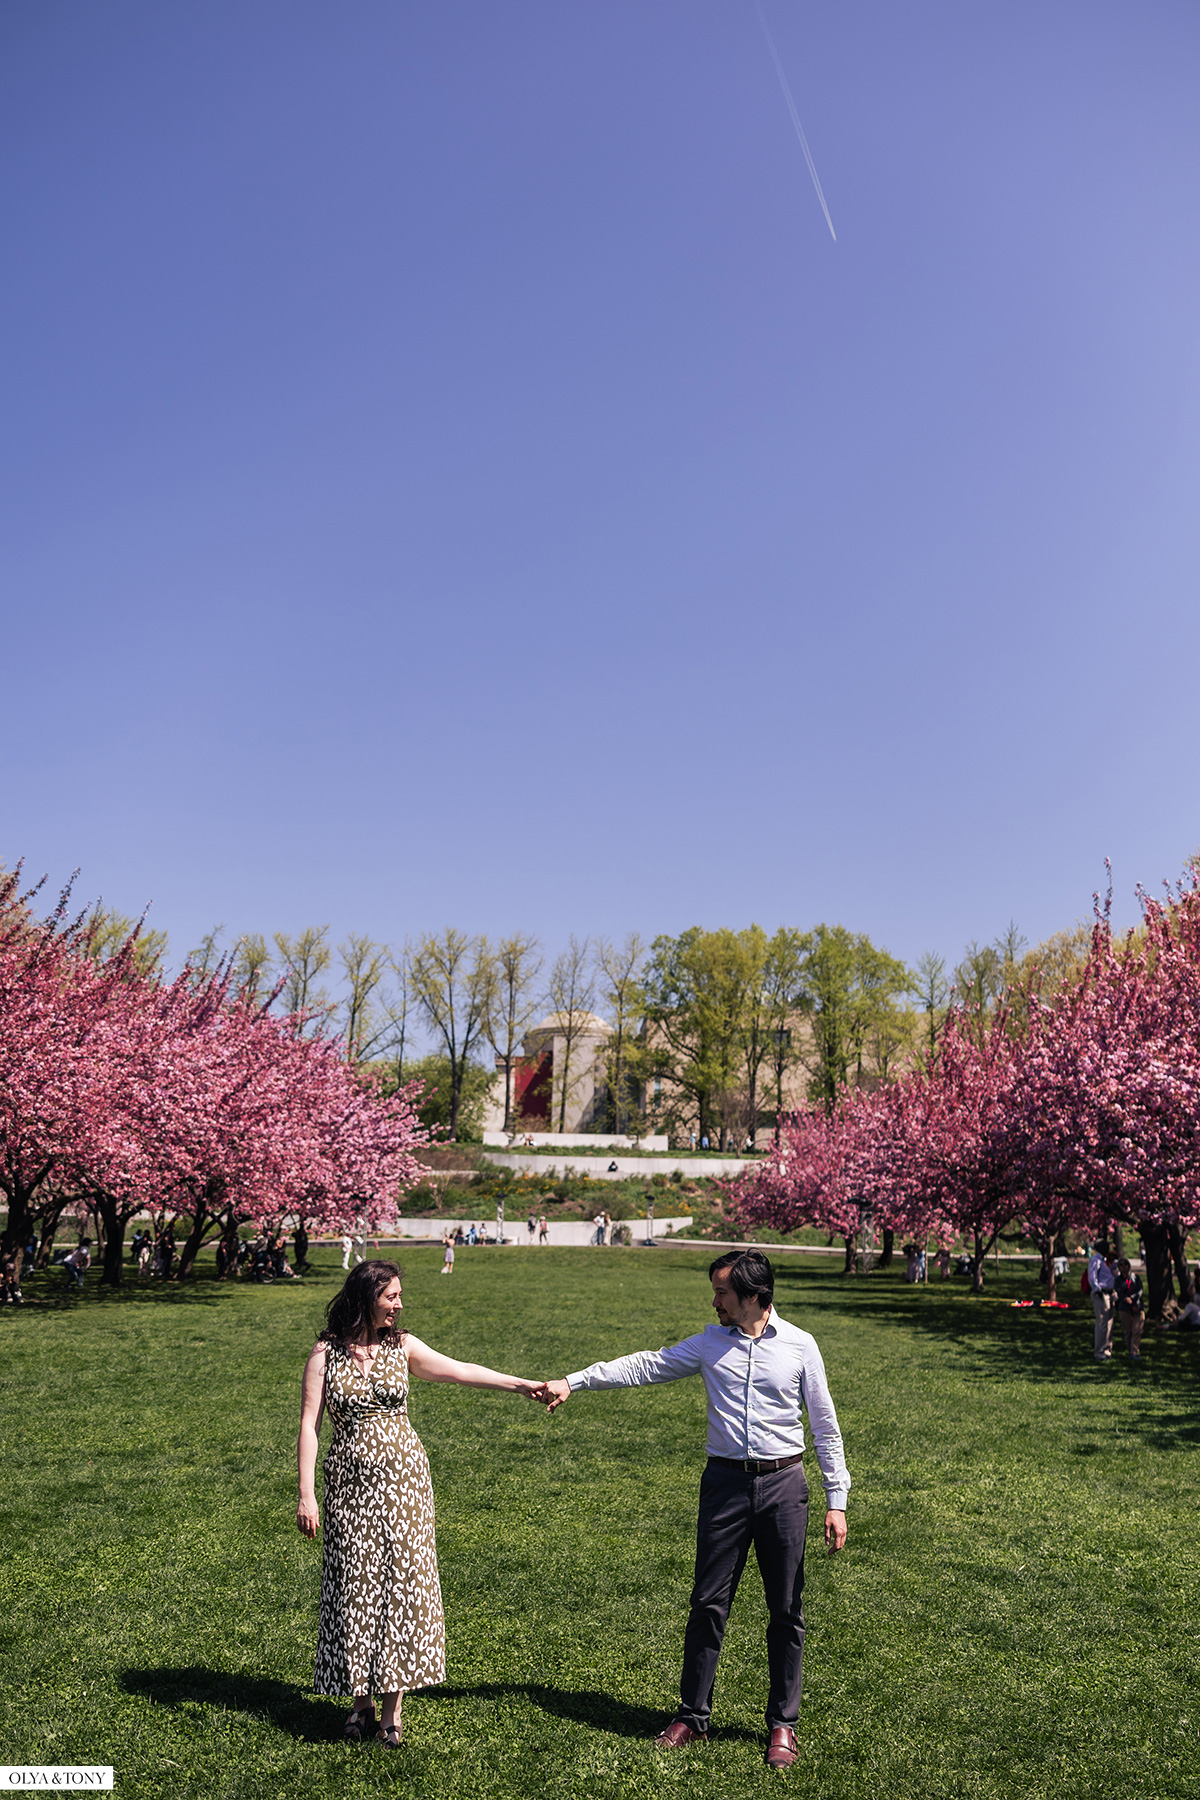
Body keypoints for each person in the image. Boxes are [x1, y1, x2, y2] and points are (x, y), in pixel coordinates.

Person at [536, 1250, 849, 1771]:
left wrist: (836, 1500)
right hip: (724, 1487)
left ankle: (783, 1724)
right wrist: (576, 1380)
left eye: (722, 1292)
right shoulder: (709, 1343)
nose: (715, 1301)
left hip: (784, 1486)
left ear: (753, 1295)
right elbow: (646, 1365)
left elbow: (825, 1425)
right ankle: (693, 1715)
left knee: (786, 1610)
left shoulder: (800, 1345)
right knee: (708, 1603)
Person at [296, 1260, 543, 1746]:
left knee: (402, 1586)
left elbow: (460, 1371)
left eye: (399, 1296)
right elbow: (309, 1424)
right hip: (348, 1486)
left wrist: (521, 1384)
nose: (399, 1304)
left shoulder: (403, 1346)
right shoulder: (326, 1353)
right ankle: (360, 1704)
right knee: (354, 1587)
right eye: (391, 1296)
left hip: (405, 1485)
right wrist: (307, 1495)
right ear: (366, 1297)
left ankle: (392, 1712)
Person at [1113, 1258, 1145, 1363]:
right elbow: (1118, 1291)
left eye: (1125, 1264)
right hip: (1124, 1307)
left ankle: (1134, 1352)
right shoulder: (1117, 1280)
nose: (1123, 1266)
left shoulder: (1135, 1277)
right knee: (1128, 1331)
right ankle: (1130, 1350)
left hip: (1137, 1306)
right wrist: (1126, 1299)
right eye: (1121, 1265)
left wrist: (1133, 1299)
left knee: (1137, 1330)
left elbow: (1140, 1290)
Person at [1088, 1248, 1117, 1361]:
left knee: (1109, 1323)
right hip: (1101, 1294)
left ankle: (1107, 1350)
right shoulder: (1096, 1261)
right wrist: (1098, 1290)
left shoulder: (1108, 1261)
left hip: (1110, 1292)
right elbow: (1092, 1277)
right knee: (1102, 1323)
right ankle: (1099, 1352)